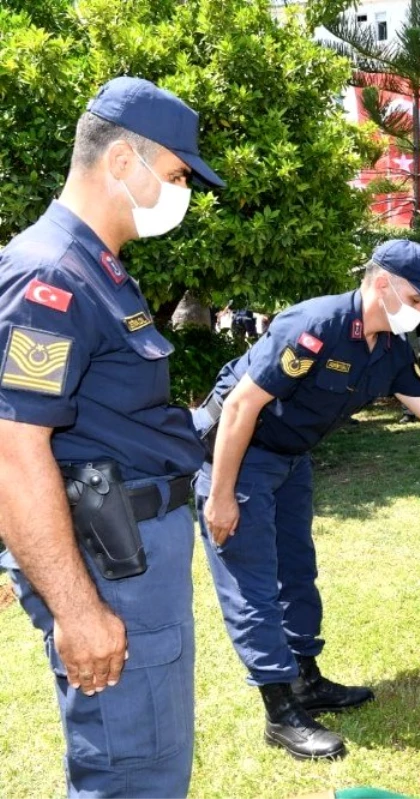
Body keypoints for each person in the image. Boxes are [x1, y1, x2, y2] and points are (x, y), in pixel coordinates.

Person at [192, 240, 420, 761]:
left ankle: (305, 679)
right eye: (416, 297)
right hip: (240, 454)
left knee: (296, 570)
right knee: (253, 584)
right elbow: (242, 405)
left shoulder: (390, 351)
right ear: (381, 283)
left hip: (291, 460)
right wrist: (221, 495)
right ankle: (280, 712)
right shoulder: (315, 326)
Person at [0, 76, 224, 798]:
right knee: (133, 778)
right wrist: (76, 610)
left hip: (134, 552)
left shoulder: (99, 271)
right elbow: (12, 449)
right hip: (109, 568)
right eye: (177, 174)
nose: (182, 191)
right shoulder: (50, 277)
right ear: (122, 162)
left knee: (153, 765)